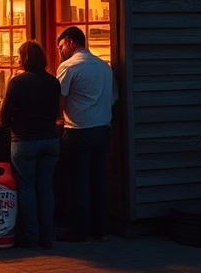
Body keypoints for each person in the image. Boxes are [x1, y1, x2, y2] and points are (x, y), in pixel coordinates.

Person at [55, 26, 117, 243]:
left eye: (61, 46)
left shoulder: (69, 67)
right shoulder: (104, 67)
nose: (60, 51)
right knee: (99, 179)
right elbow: (113, 97)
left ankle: (80, 230)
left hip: (78, 130)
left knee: (77, 181)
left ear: (71, 42)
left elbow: (59, 101)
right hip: (103, 129)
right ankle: (102, 230)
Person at [0, 40, 61, 249]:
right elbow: (56, 111)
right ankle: (47, 236)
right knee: (46, 188)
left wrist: (10, 123)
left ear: (23, 59)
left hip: (25, 139)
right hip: (50, 138)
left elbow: (4, 115)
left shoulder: (17, 82)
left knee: (27, 188)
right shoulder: (53, 82)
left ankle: (31, 236)